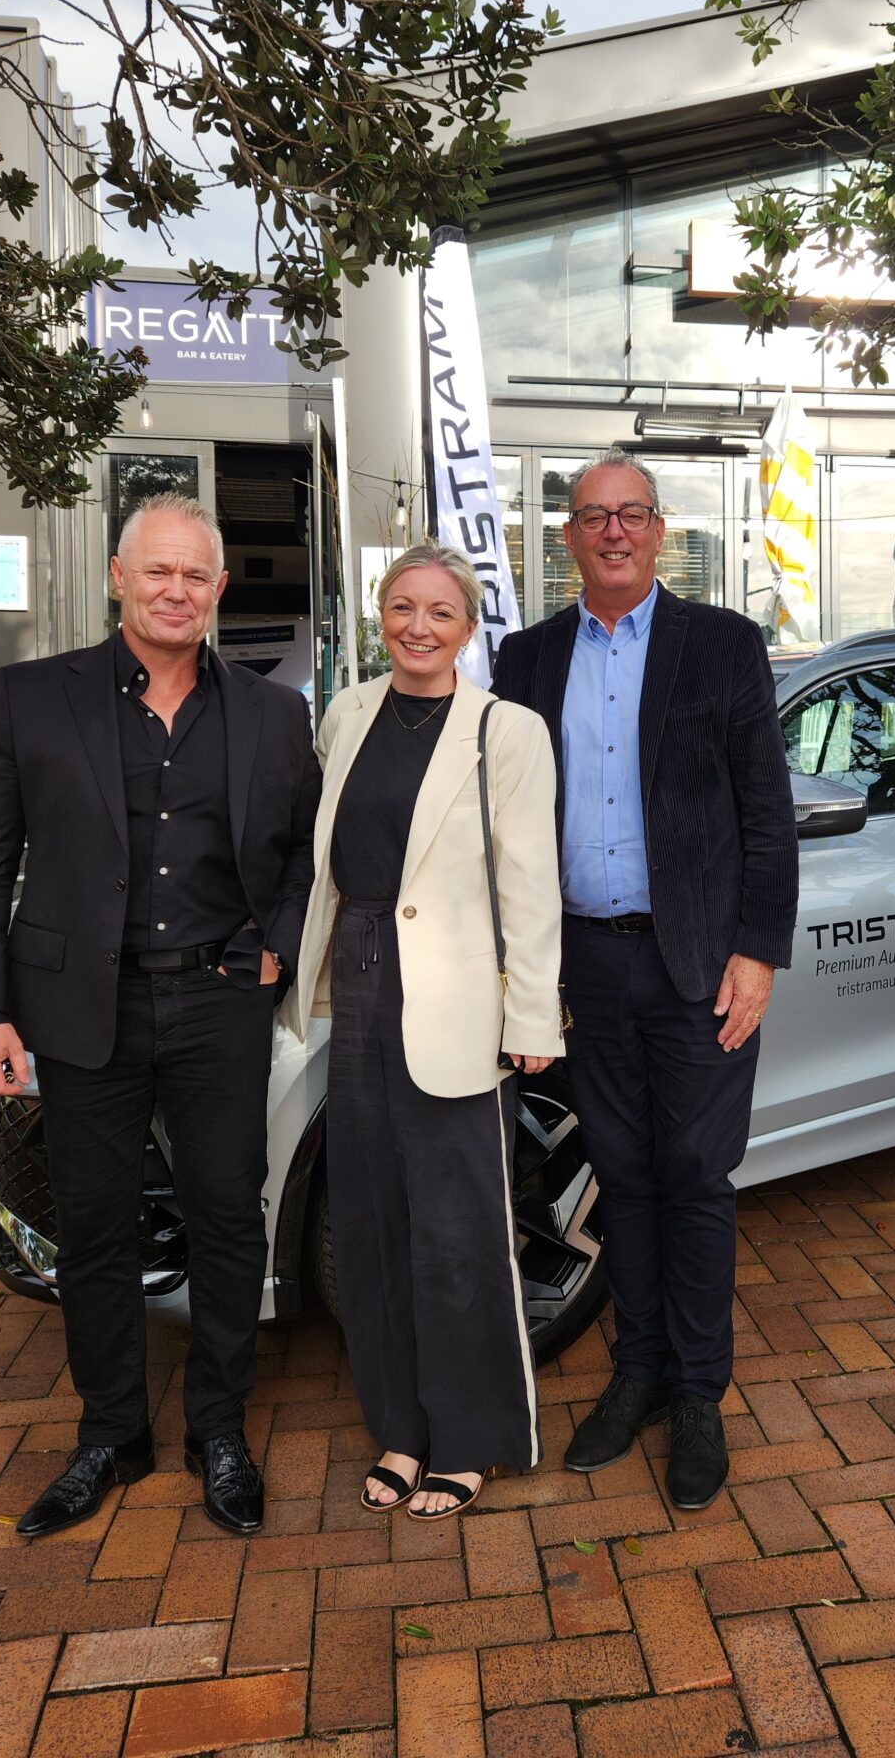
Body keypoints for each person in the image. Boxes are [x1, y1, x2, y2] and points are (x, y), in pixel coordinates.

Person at [0, 495, 321, 1539]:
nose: (175, 591)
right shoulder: (32, 698)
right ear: (118, 576)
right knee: (95, 1226)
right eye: (157, 572)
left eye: (195, 576)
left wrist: (277, 940)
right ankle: (110, 1434)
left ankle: (218, 1429)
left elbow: (299, 850)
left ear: (218, 591)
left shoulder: (270, 713)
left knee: (227, 1217)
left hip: (218, 998)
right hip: (76, 1006)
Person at [494, 452, 798, 1510]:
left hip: (700, 963)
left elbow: (765, 813)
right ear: (567, 538)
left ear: (659, 531)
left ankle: (698, 1392)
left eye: (629, 515)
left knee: (695, 1175)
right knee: (618, 1174)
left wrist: (758, 952)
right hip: (585, 959)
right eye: (590, 517)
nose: (611, 531)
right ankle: (638, 1373)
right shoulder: (525, 659)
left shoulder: (721, 645)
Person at [284, 542, 562, 1520]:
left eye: (438, 612)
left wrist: (532, 1014)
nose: (416, 627)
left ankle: (473, 1438)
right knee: (368, 1224)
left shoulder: (506, 732)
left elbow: (529, 887)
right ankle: (402, 1428)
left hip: (455, 1001)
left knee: (458, 1232)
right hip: (356, 985)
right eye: (400, 607)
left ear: (467, 625)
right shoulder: (346, 715)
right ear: (378, 613)